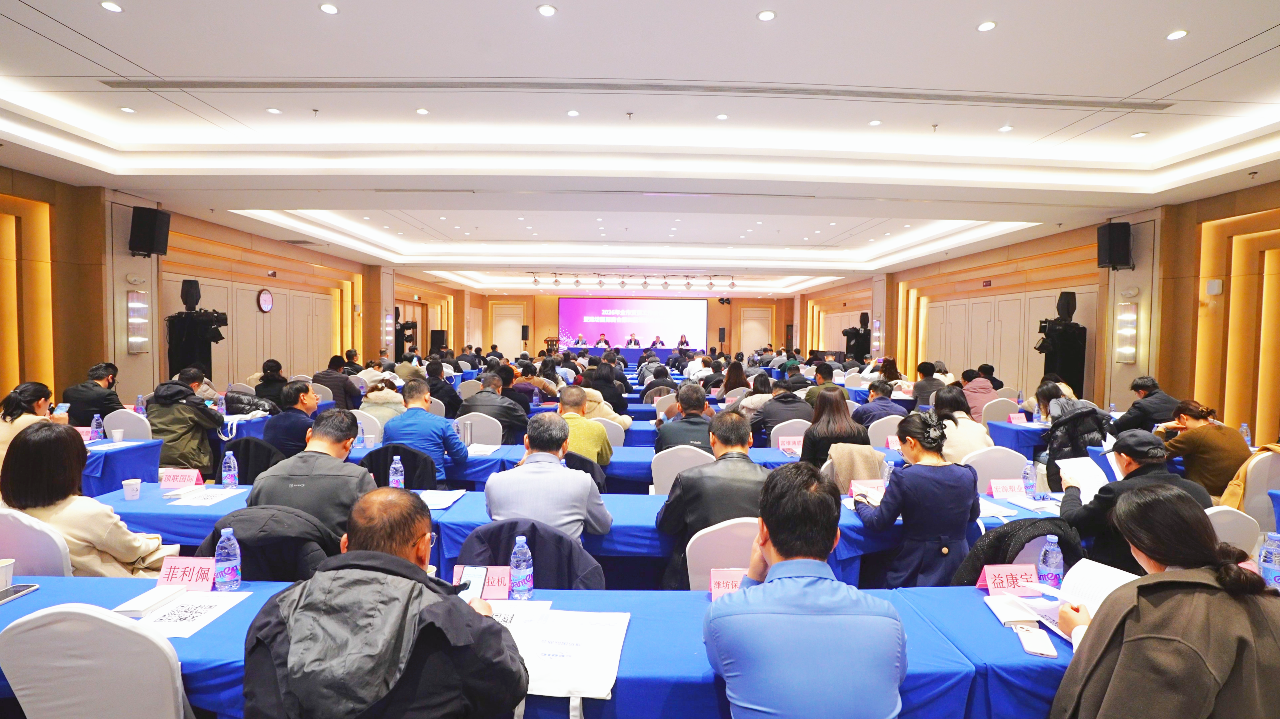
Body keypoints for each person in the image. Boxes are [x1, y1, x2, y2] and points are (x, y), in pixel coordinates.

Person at [244, 487, 528, 718]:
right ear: (423, 548)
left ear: (345, 545)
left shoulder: (278, 611)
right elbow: (510, 684)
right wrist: (486, 620)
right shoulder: (452, 622)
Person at [1051, 484, 1280, 719]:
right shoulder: (1263, 598)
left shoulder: (1147, 606)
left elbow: (1124, 694)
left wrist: (1081, 631)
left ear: (1137, 545)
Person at [705, 462, 905, 718]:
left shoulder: (723, 617)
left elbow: (723, 665)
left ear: (762, 531)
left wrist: (752, 579)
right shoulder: (887, 620)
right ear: (836, 539)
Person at [1, 423, 177, 577]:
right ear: (69, 467)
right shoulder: (86, 511)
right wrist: (155, 539)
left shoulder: (5, 512)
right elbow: (132, 550)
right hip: (113, 589)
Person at [853, 412, 981, 587]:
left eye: (902, 447)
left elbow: (878, 522)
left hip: (915, 568)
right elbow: (973, 516)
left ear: (911, 442)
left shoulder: (905, 477)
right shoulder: (968, 474)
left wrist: (860, 501)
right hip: (959, 567)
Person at [1060, 429, 1212, 575]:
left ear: (1126, 460)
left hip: (1120, 577)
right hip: (1188, 577)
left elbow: (1071, 524)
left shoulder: (1118, 492)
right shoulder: (1199, 491)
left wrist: (1071, 490)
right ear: (1164, 457)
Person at [657, 411, 769, 590]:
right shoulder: (774, 482)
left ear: (711, 438)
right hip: (762, 578)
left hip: (695, 579)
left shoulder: (689, 479)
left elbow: (667, 526)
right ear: (750, 438)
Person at [249, 409, 378, 536]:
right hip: (334, 550)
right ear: (348, 444)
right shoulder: (357, 479)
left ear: (308, 434)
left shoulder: (263, 479)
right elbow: (373, 534)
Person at [485, 413, 612, 539]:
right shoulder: (583, 482)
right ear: (565, 445)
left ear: (526, 442)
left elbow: (494, 516)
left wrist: (519, 465)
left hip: (510, 553)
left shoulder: (494, 482)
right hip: (564, 553)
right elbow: (602, 527)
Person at [1153, 400, 1252, 497]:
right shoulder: (1233, 431)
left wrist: (1162, 428)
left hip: (1208, 497)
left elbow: (1156, 453)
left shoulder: (1195, 434)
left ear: (1183, 418)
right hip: (1237, 496)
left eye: (1178, 422)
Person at [380, 379, 469, 483]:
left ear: (403, 402)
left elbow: (385, 456)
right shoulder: (441, 423)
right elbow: (461, 456)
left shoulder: (390, 425)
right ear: (427, 397)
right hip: (434, 486)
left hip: (401, 486)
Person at [147, 367, 225, 477]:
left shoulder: (152, 400)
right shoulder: (192, 402)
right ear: (194, 385)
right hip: (185, 459)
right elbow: (217, 420)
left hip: (155, 455)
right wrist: (208, 410)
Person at [0, 382, 67, 467]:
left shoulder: (2, 415)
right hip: (17, 473)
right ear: (41, 402)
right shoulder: (39, 421)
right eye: (49, 404)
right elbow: (57, 451)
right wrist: (61, 426)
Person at [800, 386, 869, 467]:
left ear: (818, 406)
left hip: (820, 475)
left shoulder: (812, 433)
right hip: (854, 474)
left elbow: (805, 467)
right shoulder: (861, 431)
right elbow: (867, 460)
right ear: (844, 405)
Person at [458, 373, 528, 445]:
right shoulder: (508, 404)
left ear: (481, 387)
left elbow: (457, 424)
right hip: (501, 448)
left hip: (469, 447)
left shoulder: (466, 403)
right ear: (500, 389)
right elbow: (525, 424)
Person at [931, 385, 993, 463]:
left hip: (950, 470)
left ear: (937, 407)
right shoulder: (980, 428)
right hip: (979, 469)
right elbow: (991, 449)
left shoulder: (937, 430)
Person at [261, 380, 319, 458]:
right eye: (313, 393)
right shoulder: (308, 426)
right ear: (303, 398)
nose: (317, 397)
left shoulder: (270, 421)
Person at [556, 386, 611, 466]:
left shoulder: (546, 428)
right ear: (585, 408)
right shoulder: (598, 428)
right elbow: (604, 460)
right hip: (588, 473)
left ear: (560, 407)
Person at [750, 379, 814, 445]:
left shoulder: (767, 407)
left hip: (775, 450)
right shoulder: (807, 407)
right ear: (791, 391)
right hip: (805, 449)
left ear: (773, 394)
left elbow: (749, 426)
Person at [61, 362, 126, 427]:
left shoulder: (68, 391)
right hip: (97, 432)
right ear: (110, 378)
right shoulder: (107, 394)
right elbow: (124, 415)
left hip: (73, 432)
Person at [1110, 375, 1179, 435]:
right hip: (1173, 442)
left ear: (1141, 392)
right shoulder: (1177, 403)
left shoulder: (1141, 405)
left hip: (1151, 442)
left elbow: (1120, 425)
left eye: (1136, 393)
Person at [656, 384, 714, 454]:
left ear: (679, 407)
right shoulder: (715, 432)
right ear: (706, 406)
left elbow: (658, 456)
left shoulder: (665, 430)